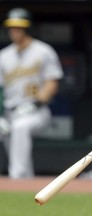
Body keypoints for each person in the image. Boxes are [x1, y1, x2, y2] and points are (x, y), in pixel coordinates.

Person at [0, 8, 63, 179]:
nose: (14, 31)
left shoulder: (43, 51)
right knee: (16, 144)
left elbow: (52, 83)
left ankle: (17, 178)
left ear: (27, 28)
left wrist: (35, 103)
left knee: (21, 127)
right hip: (8, 111)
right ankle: (25, 181)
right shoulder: (4, 56)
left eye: (18, 27)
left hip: (35, 111)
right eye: (12, 28)